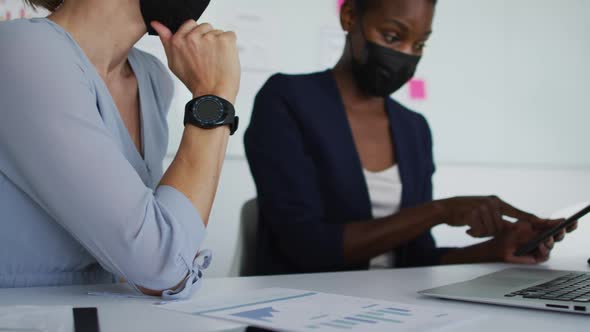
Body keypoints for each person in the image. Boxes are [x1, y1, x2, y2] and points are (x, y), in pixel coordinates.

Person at [244, 0, 575, 276]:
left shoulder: (413, 127)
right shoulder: (287, 99)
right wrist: (439, 211)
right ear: (350, 18)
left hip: (394, 311)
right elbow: (308, 247)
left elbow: (414, 258)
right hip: (302, 311)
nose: (406, 55)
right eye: (392, 36)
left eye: (418, 44)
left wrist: (497, 248)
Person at [0, 0, 240, 299]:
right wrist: (212, 98)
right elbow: (159, 265)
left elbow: (154, 261)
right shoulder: (22, 50)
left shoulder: (152, 78)